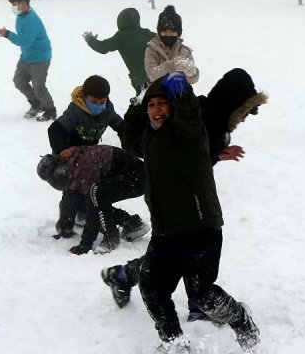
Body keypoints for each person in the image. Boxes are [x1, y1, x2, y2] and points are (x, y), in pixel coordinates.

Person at [102, 74, 259, 352]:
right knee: (151, 286)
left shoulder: (189, 129)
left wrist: (182, 91)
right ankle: (174, 342)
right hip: (165, 229)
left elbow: (189, 114)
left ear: (174, 107)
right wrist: (136, 106)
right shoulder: (149, 137)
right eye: (152, 105)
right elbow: (130, 141)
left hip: (200, 226)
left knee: (201, 294)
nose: (157, 109)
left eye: (163, 103)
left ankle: (241, 320)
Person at [47, 75, 125, 239]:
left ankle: (82, 214)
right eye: (94, 101)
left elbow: (121, 126)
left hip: (90, 157)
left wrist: (131, 143)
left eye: (102, 101)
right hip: (70, 156)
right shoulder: (76, 111)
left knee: (88, 188)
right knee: (72, 189)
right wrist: (62, 150)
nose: (99, 105)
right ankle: (65, 225)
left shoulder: (107, 110)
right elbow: (54, 130)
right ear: (84, 97)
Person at [37, 145, 149, 255]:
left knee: (95, 194)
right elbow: (70, 196)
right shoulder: (70, 161)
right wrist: (65, 226)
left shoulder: (84, 167)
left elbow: (93, 210)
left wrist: (85, 244)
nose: (71, 186)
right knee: (86, 199)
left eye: (69, 181)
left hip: (138, 179)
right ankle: (133, 223)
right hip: (124, 176)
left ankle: (111, 237)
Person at [0, 0, 55, 121]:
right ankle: (36, 103)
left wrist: (8, 35)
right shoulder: (22, 15)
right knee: (19, 81)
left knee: (39, 88)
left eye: (14, 4)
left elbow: (25, 41)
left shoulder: (31, 20)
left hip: (40, 59)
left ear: (23, 3)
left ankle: (50, 111)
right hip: (27, 57)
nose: (13, 7)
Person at [83, 8, 155, 94]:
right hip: (157, 73)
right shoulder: (146, 33)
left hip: (140, 79)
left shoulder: (120, 37)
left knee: (145, 101)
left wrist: (91, 40)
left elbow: (102, 48)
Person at [145, 5, 200, 85]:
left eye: (172, 32)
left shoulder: (184, 51)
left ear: (178, 33)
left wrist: (192, 72)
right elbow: (152, 75)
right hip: (157, 93)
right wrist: (172, 65)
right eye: (165, 31)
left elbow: (192, 81)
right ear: (160, 32)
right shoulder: (152, 49)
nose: (168, 35)